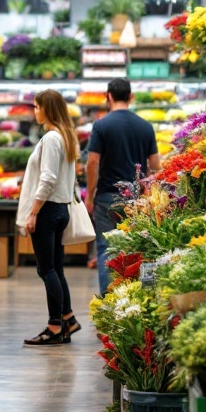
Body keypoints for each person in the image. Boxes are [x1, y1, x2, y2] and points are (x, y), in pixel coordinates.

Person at [85, 78, 161, 296]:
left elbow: (92, 162)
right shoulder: (145, 126)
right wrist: (152, 195)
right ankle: (137, 297)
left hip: (107, 197)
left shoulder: (101, 125)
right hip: (137, 200)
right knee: (139, 249)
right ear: (131, 97)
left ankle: (109, 302)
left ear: (108, 97)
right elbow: (155, 166)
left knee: (107, 249)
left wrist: (90, 196)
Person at [17, 90, 82, 347]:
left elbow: (47, 179)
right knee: (56, 269)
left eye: (36, 106)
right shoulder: (65, 137)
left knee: (46, 269)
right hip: (59, 209)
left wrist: (33, 212)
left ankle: (58, 324)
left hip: (48, 211)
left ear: (48, 109)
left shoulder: (52, 138)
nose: (34, 111)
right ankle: (66, 322)